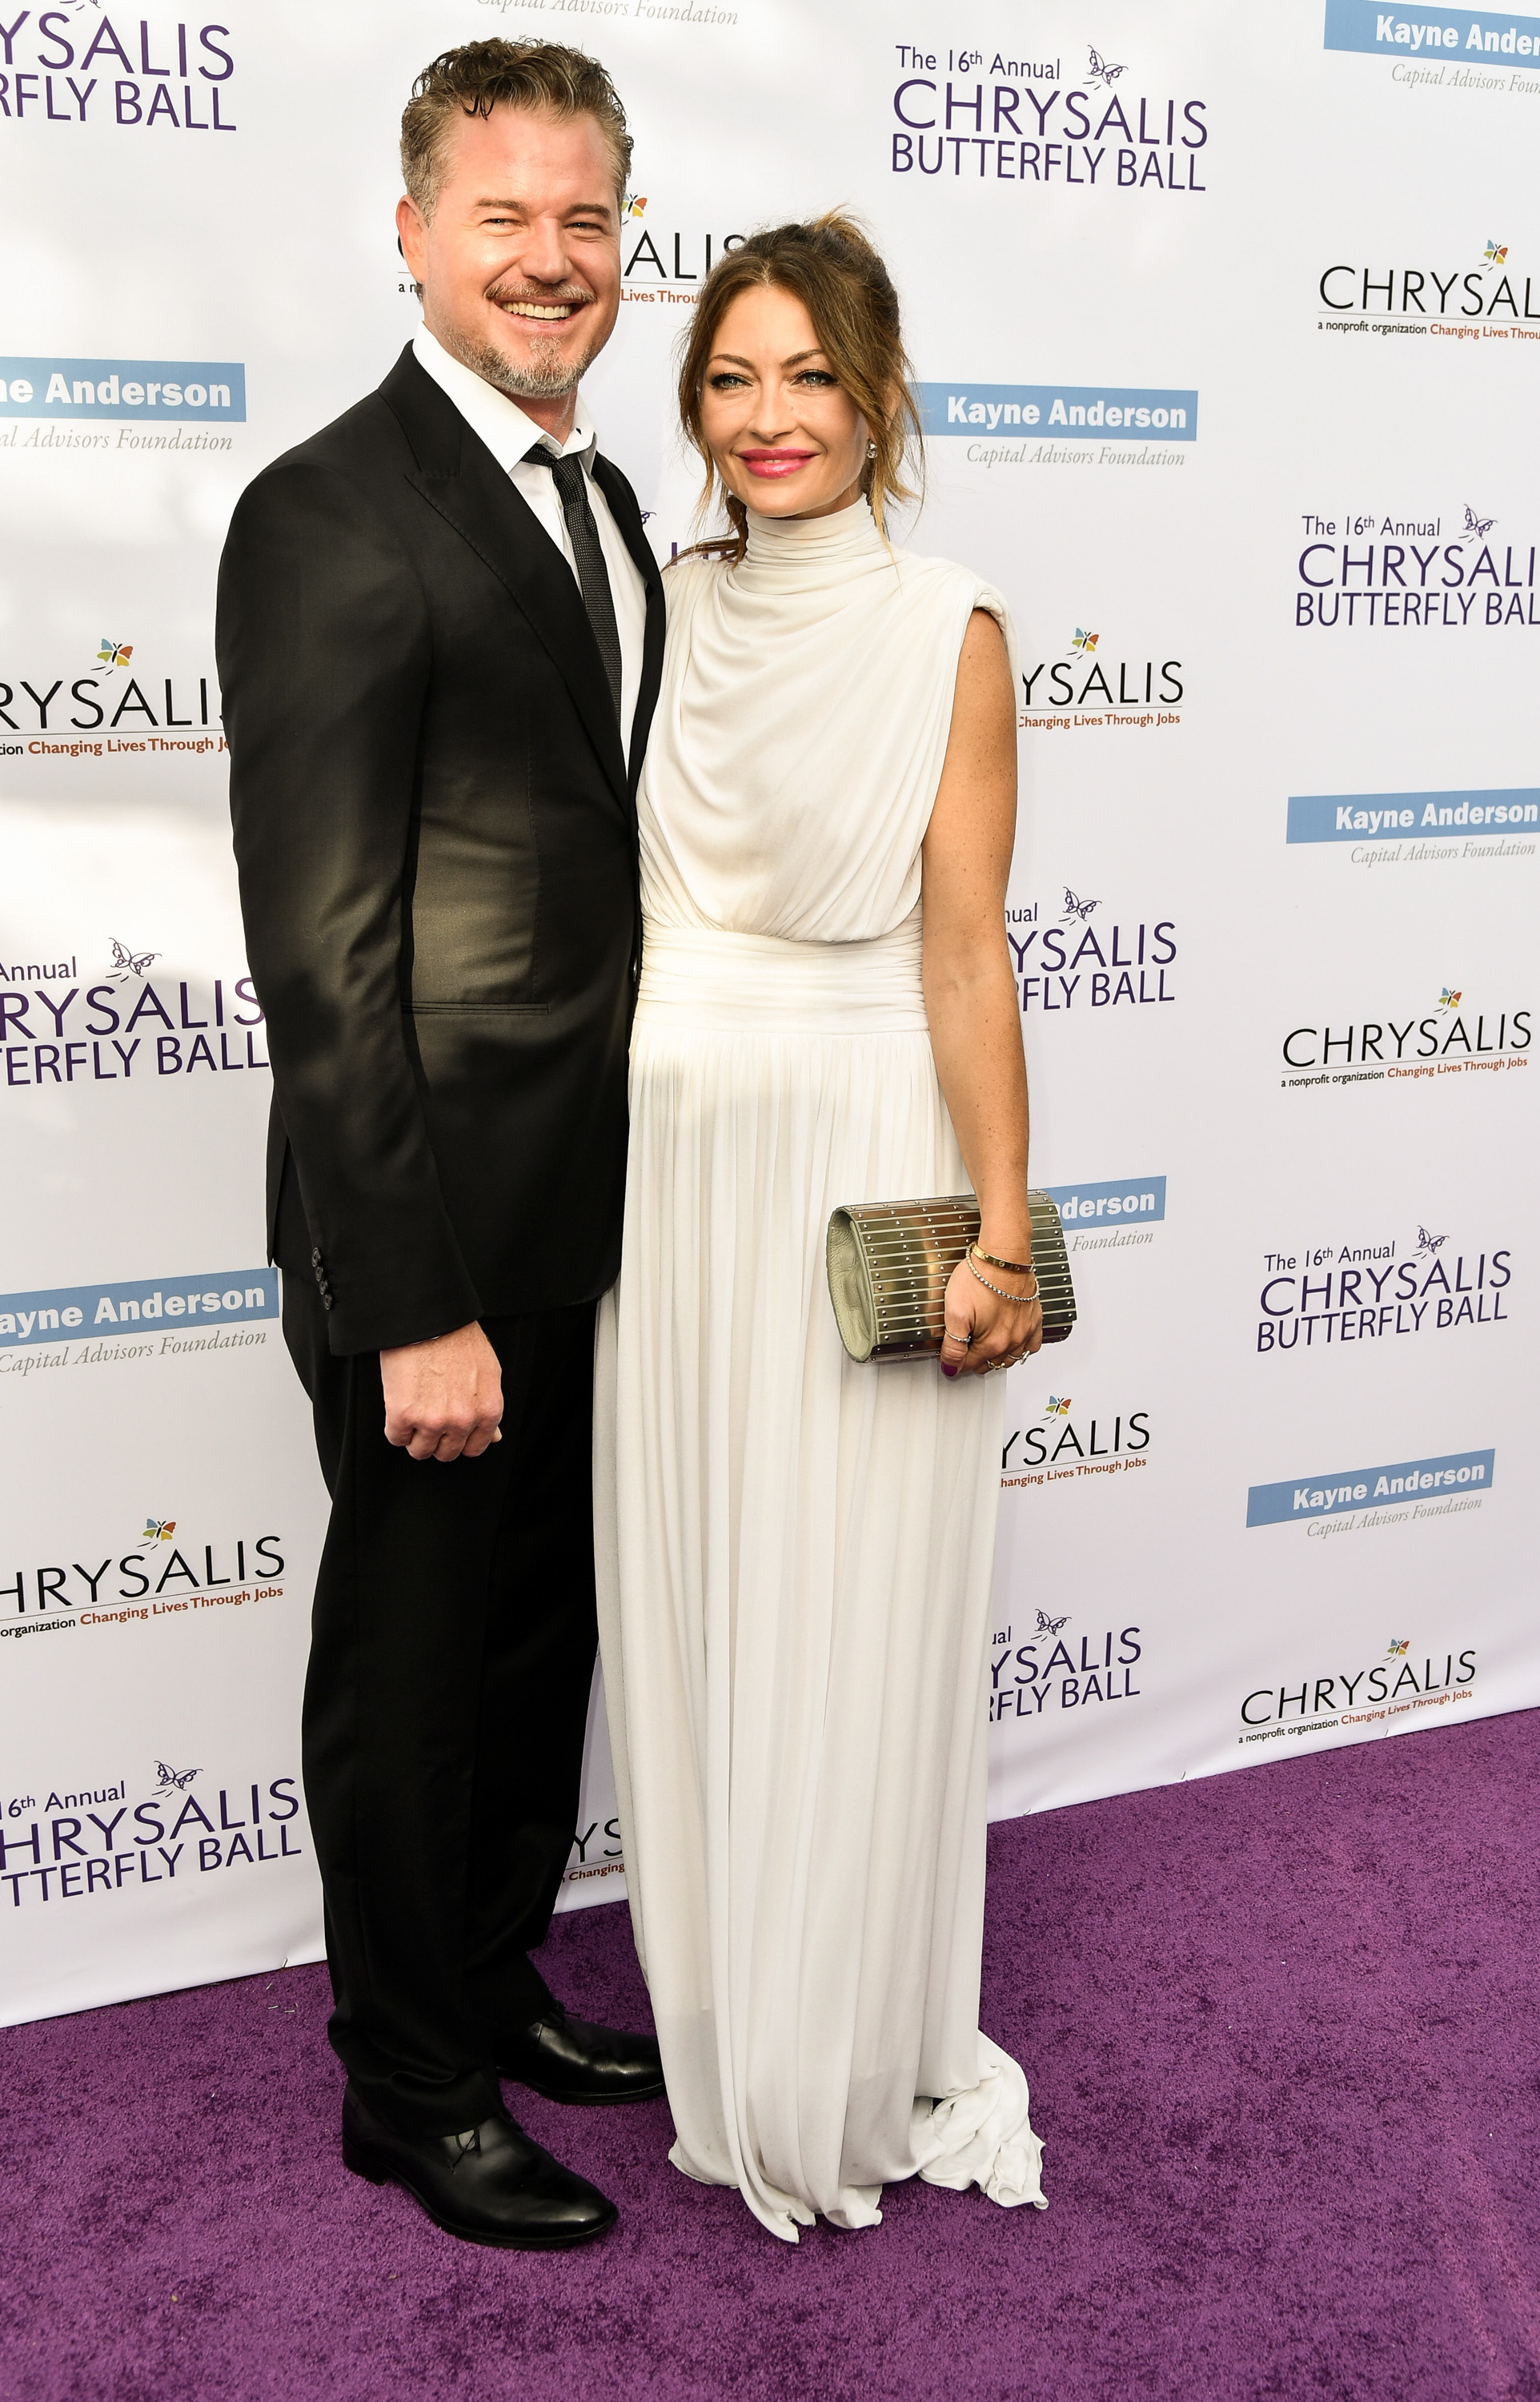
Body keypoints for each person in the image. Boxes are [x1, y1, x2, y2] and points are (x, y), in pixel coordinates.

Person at [216, 40, 666, 2251]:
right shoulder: (331, 508)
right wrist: (410, 1307)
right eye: (502, 217)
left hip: (587, 1222)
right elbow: (322, 955)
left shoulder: (597, 498)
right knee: (409, 1675)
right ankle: (402, 2086)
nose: (549, 259)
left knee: (531, 1649)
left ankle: (491, 1983)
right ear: (410, 235)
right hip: (428, 1252)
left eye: (584, 218)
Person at [595, 215, 1049, 2241]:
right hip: (676, 1171)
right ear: (693, 402)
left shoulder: (949, 623)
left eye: (808, 378)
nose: (767, 419)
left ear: (878, 399)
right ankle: (727, 2031)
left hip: (863, 1152)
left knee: (851, 1600)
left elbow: (967, 955)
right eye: (729, 377)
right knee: (705, 1600)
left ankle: (844, 2046)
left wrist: (1003, 1233)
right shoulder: (659, 601)